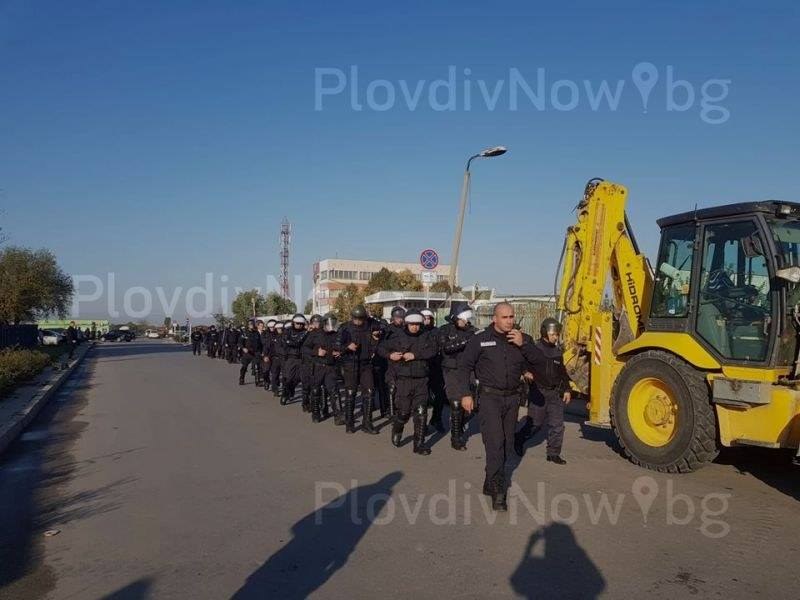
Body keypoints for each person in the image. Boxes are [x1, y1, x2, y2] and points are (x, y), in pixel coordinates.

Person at [457, 302, 535, 511]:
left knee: (507, 443)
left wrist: (524, 345)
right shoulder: (480, 340)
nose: (510, 321)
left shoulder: (521, 339)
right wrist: (465, 394)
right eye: (505, 317)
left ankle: (489, 479)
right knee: (495, 443)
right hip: (490, 398)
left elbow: (538, 361)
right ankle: (499, 491)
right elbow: (464, 366)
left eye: (512, 317)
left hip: (512, 399)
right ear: (495, 318)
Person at [379, 309, 437, 455]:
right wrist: (390, 355)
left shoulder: (426, 336)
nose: (415, 327)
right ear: (407, 323)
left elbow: (433, 350)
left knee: (421, 412)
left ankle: (419, 444)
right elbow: (381, 348)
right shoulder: (398, 336)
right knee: (404, 413)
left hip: (421, 380)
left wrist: (416, 355)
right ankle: (397, 428)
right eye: (412, 324)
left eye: (417, 324)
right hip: (404, 380)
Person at [515, 318, 572, 464]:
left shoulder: (558, 352)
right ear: (545, 332)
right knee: (535, 425)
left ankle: (553, 453)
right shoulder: (535, 349)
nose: (556, 337)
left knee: (558, 426)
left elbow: (562, 373)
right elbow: (521, 362)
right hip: (538, 392)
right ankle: (518, 439)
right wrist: (525, 372)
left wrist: (566, 389)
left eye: (557, 334)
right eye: (553, 334)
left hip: (554, 394)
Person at [336, 305, 381, 434]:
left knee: (370, 392)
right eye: (356, 319)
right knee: (351, 393)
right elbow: (337, 346)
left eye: (361, 319)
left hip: (366, 364)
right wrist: (347, 347)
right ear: (352, 317)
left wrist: (376, 335)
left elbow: (382, 327)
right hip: (351, 364)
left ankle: (367, 423)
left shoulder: (370, 325)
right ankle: (349, 423)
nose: (359, 321)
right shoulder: (345, 328)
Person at [438, 301, 477, 451]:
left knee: (472, 406)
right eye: (463, 318)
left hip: (469, 371)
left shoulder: (472, 331)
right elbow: (446, 348)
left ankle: (460, 425)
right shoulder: (444, 330)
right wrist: (466, 340)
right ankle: (455, 437)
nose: (466, 321)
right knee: (455, 404)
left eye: (467, 318)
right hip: (451, 370)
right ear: (455, 317)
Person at [310, 313, 343, 424]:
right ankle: (316, 413)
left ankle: (338, 415)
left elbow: (342, 347)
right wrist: (316, 352)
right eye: (328, 323)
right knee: (316, 390)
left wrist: (340, 352)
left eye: (332, 323)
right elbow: (304, 349)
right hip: (318, 366)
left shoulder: (337, 334)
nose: (330, 325)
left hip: (331, 367)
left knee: (334, 391)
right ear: (324, 323)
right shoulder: (315, 334)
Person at [421, 309, 447, 434]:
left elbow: (443, 346)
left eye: (429, 318)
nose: (427, 320)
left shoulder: (438, 331)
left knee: (440, 396)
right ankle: (422, 423)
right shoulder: (418, 332)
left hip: (436, 368)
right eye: (425, 318)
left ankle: (436, 419)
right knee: (423, 398)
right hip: (422, 369)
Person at [382, 306, 406, 419]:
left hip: (403, 361)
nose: (400, 320)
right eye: (397, 317)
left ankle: (401, 408)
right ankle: (391, 411)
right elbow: (380, 348)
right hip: (390, 361)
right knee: (391, 386)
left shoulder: (406, 329)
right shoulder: (387, 330)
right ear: (393, 317)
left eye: (401, 317)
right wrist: (389, 355)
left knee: (402, 387)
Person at [282, 314, 308, 406]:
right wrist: (296, 342)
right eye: (297, 323)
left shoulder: (305, 332)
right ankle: (285, 394)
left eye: (301, 324)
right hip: (291, 357)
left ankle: (290, 390)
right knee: (288, 378)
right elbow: (290, 342)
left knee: (297, 379)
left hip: (301, 359)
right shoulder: (288, 331)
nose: (299, 325)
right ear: (293, 323)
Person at [300, 315, 322, 413]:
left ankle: (315, 405)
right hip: (306, 362)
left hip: (317, 363)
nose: (316, 325)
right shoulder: (307, 333)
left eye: (318, 322)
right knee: (306, 386)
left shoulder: (322, 333)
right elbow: (303, 347)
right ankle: (305, 403)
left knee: (315, 386)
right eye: (314, 323)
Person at [239, 320, 264, 385]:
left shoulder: (256, 333)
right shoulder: (244, 333)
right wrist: (243, 348)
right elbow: (240, 343)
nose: (251, 325)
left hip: (256, 352)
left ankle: (257, 381)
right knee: (244, 367)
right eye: (250, 324)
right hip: (247, 353)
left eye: (252, 324)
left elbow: (260, 343)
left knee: (257, 367)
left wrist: (262, 351)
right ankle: (241, 378)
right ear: (248, 325)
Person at [270, 321, 286, 398]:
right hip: (275, 358)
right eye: (277, 328)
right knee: (275, 374)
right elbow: (268, 347)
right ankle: (275, 389)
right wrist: (266, 355)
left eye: (280, 328)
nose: (279, 330)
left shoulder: (285, 337)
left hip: (283, 358)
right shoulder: (273, 337)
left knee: (284, 375)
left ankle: (284, 389)